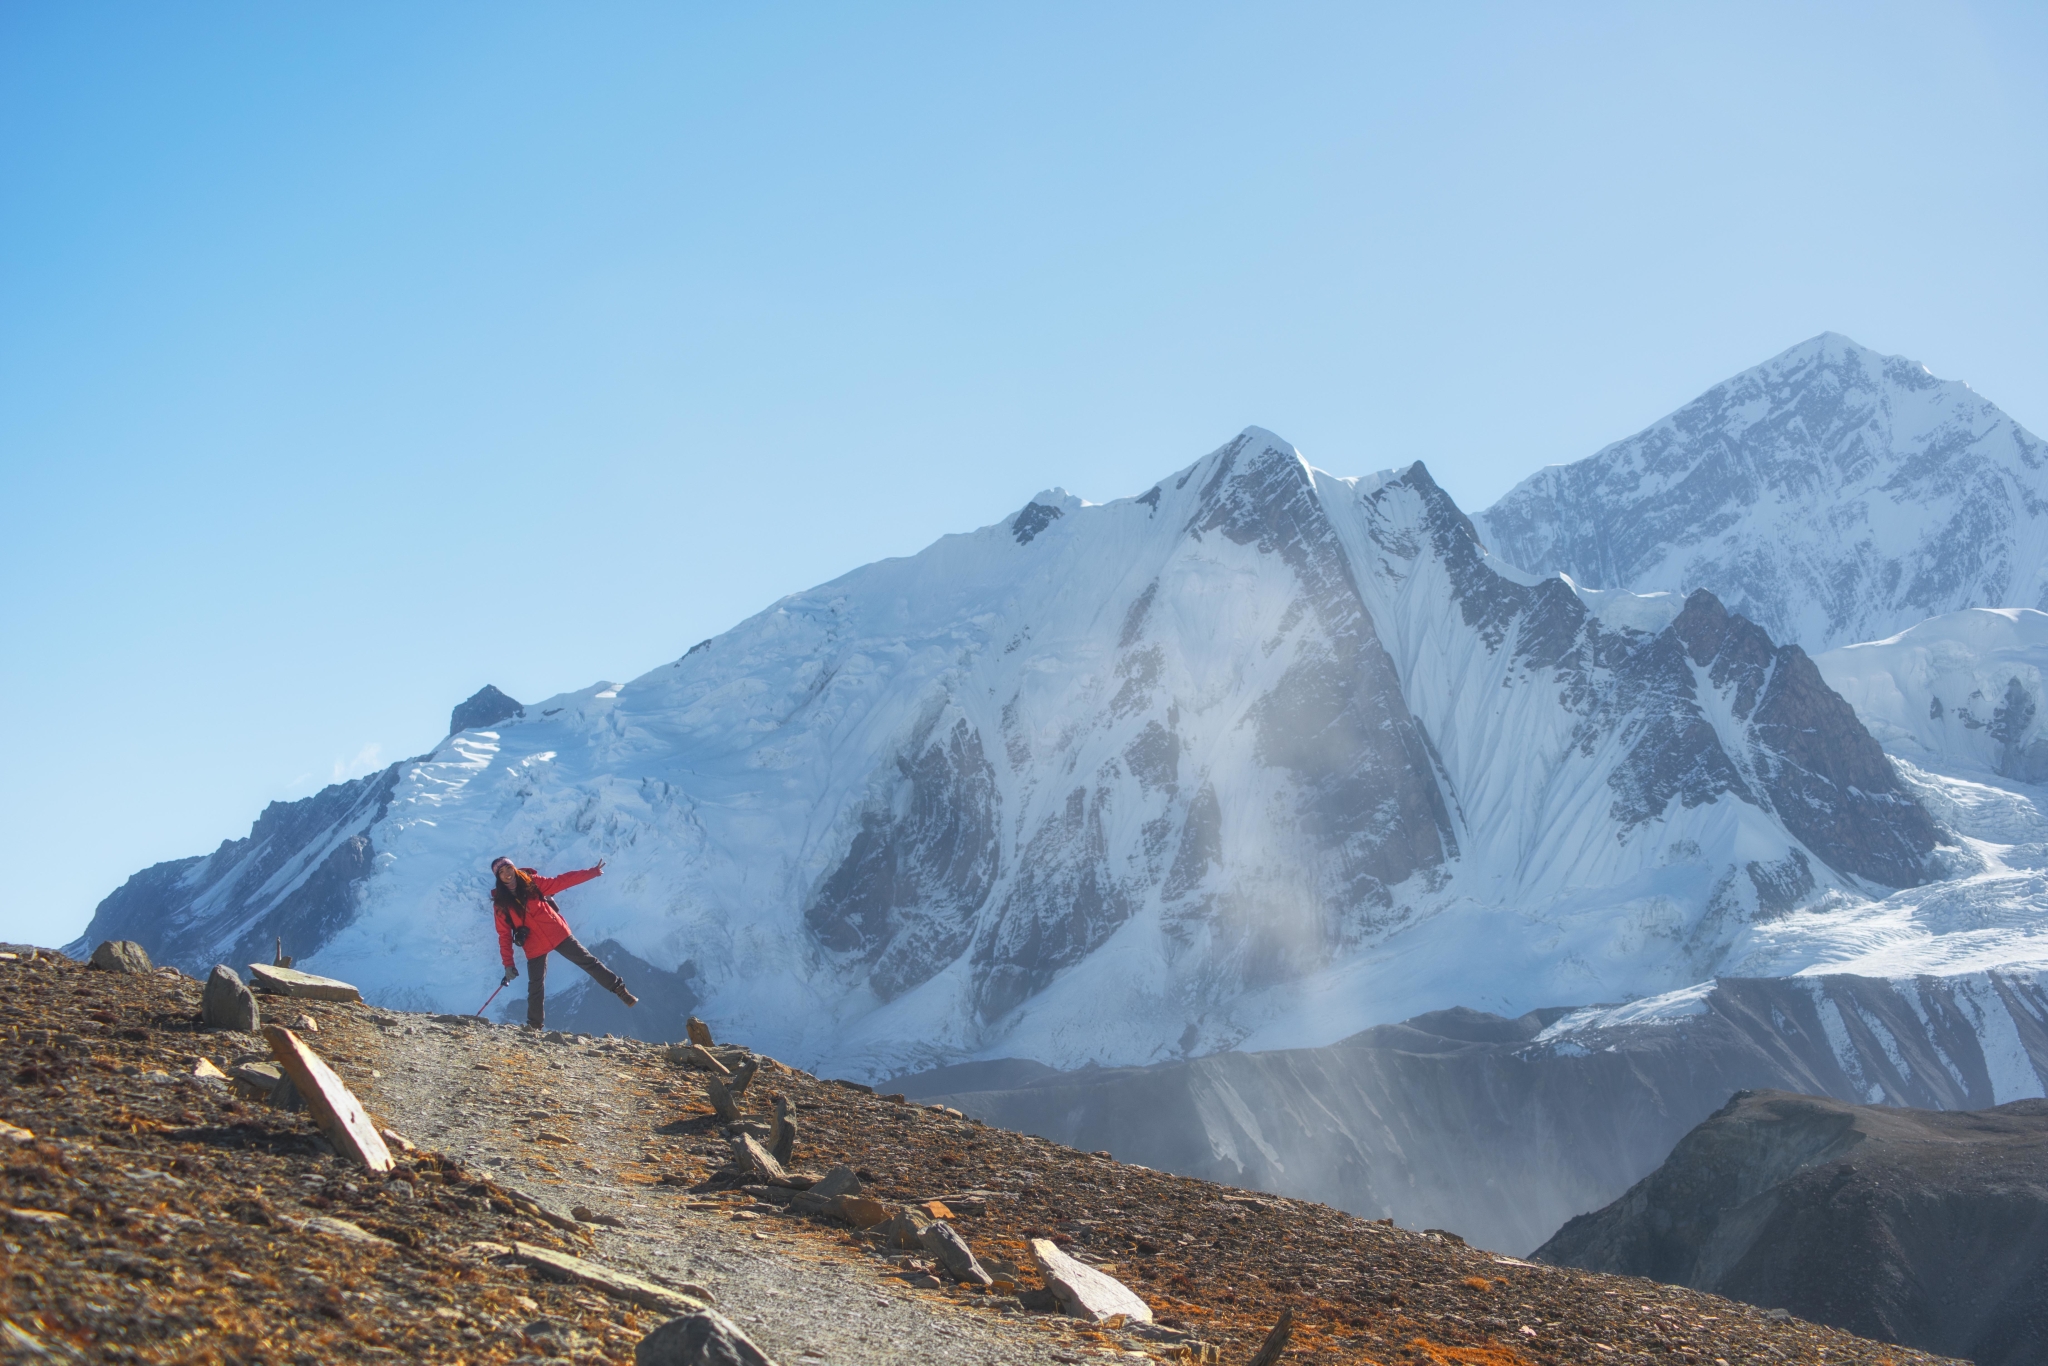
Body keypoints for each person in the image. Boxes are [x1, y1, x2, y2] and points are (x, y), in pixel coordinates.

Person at [491, 855, 637, 1028]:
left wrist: (592, 872)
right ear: (498, 877)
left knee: (588, 961)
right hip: (535, 944)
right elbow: (504, 935)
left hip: (556, 933)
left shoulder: (532, 882)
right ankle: (534, 1026)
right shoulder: (501, 904)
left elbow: (561, 881)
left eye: (508, 868)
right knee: (536, 986)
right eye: (501, 871)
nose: (507, 873)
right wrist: (508, 964)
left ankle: (620, 991)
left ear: (514, 868)